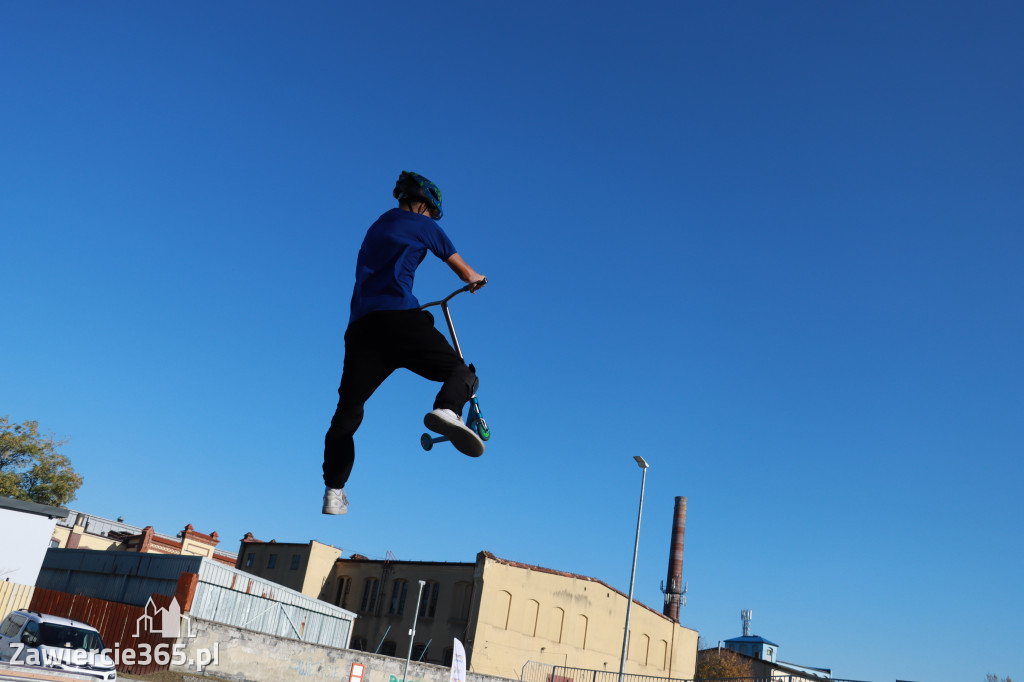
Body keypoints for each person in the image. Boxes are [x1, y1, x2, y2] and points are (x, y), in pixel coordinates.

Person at [321, 171, 487, 515]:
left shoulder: (375, 228)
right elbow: (465, 272)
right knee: (461, 372)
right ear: (423, 204)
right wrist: (476, 279)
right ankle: (447, 409)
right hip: (400, 319)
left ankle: (334, 490)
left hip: (362, 329)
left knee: (347, 412)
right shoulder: (423, 224)